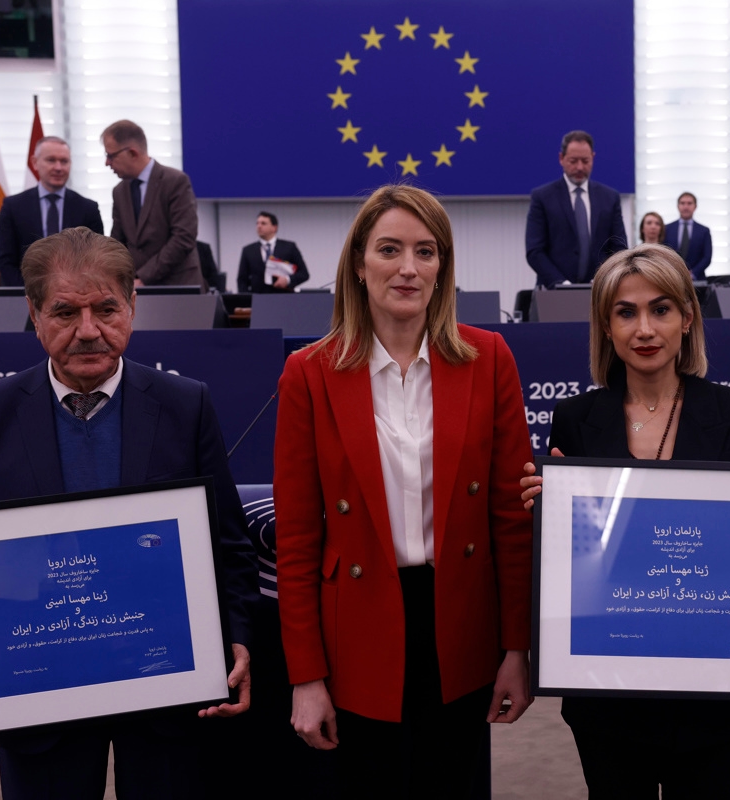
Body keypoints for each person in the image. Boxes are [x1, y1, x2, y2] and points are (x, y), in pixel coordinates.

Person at [0, 227, 257, 798]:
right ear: (34, 313)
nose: (88, 331)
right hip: (40, 699)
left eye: (107, 309)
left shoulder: (185, 405)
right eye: (65, 312)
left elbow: (230, 547)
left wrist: (237, 639)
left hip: (167, 692)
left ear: (133, 306)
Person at [517, 243, 730, 798]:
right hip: (608, 693)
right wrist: (548, 512)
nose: (644, 328)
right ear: (606, 327)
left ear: (687, 320)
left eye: (661, 309)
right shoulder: (576, 419)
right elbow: (577, 562)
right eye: (625, 312)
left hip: (710, 698)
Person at [275, 185, 534, 798]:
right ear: (359, 265)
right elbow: (298, 541)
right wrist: (306, 677)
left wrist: (516, 649)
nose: (408, 268)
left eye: (426, 251)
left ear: (443, 268)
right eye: (390, 249)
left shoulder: (489, 358)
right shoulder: (308, 374)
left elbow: (510, 521)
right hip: (359, 630)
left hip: (460, 623)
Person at [104, 119, 204, 288]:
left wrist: (144, 278)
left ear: (133, 153)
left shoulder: (176, 181)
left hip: (178, 287)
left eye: (111, 155)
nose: (107, 163)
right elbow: (117, 243)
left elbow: (183, 238)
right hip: (136, 289)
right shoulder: (119, 191)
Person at [0, 135, 104, 287]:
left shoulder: (88, 209)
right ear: (35, 162)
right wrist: (32, 293)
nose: (58, 167)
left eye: (64, 161)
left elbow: (94, 260)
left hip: (76, 296)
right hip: (24, 297)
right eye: (51, 160)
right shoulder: (12, 207)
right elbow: (6, 261)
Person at [525, 130, 628, 286]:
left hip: (599, 291)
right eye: (573, 161)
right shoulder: (542, 197)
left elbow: (619, 247)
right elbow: (534, 250)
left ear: (593, 158)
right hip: (553, 292)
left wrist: (603, 278)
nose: (580, 167)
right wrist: (561, 283)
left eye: (585, 161)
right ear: (561, 158)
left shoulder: (610, 198)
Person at [238, 211, 310, 293]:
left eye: (263, 223)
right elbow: (242, 280)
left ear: (274, 228)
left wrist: (287, 280)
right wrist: (245, 300)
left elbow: (304, 274)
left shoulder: (289, 247)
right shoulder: (248, 250)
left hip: (284, 298)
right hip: (258, 299)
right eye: (257, 223)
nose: (259, 226)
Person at [664, 192, 713, 279]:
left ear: (695, 206)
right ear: (678, 206)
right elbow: (664, 253)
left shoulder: (704, 231)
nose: (686, 207)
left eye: (689, 203)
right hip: (672, 278)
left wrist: (693, 273)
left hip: (697, 281)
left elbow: (707, 257)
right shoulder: (667, 229)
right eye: (682, 203)